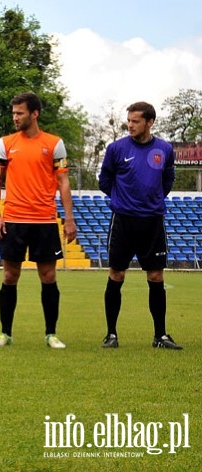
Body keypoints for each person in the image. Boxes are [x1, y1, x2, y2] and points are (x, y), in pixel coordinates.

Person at [0, 92, 76, 349]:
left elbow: (64, 182)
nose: (15, 117)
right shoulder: (5, 143)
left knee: (48, 276)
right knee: (9, 275)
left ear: (34, 114)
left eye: (20, 113)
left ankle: (51, 334)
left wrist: (69, 218)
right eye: (13, 113)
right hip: (13, 219)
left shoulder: (54, 144)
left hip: (45, 220)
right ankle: (5, 333)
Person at [98, 102, 181, 349]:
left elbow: (167, 180)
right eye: (129, 121)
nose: (130, 125)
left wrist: (151, 200)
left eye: (135, 121)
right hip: (123, 221)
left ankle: (160, 336)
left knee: (155, 276)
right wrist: (122, 200)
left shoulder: (164, 149)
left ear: (150, 122)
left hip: (152, 221)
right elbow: (105, 180)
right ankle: (111, 334)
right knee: (117, 274)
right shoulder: (116, 149)